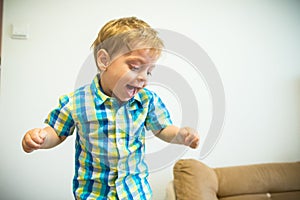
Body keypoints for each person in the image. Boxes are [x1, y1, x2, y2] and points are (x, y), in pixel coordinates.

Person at [21, 16, 199, 200]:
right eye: (135, 67)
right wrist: (41, 138)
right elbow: (56, 132)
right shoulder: (77, 102)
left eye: (149, 71)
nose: (143, 78)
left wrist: (179, 135)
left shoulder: (147, 100)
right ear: (104, 60)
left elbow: (162, 128)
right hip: (93, 194)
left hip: (135, 192)